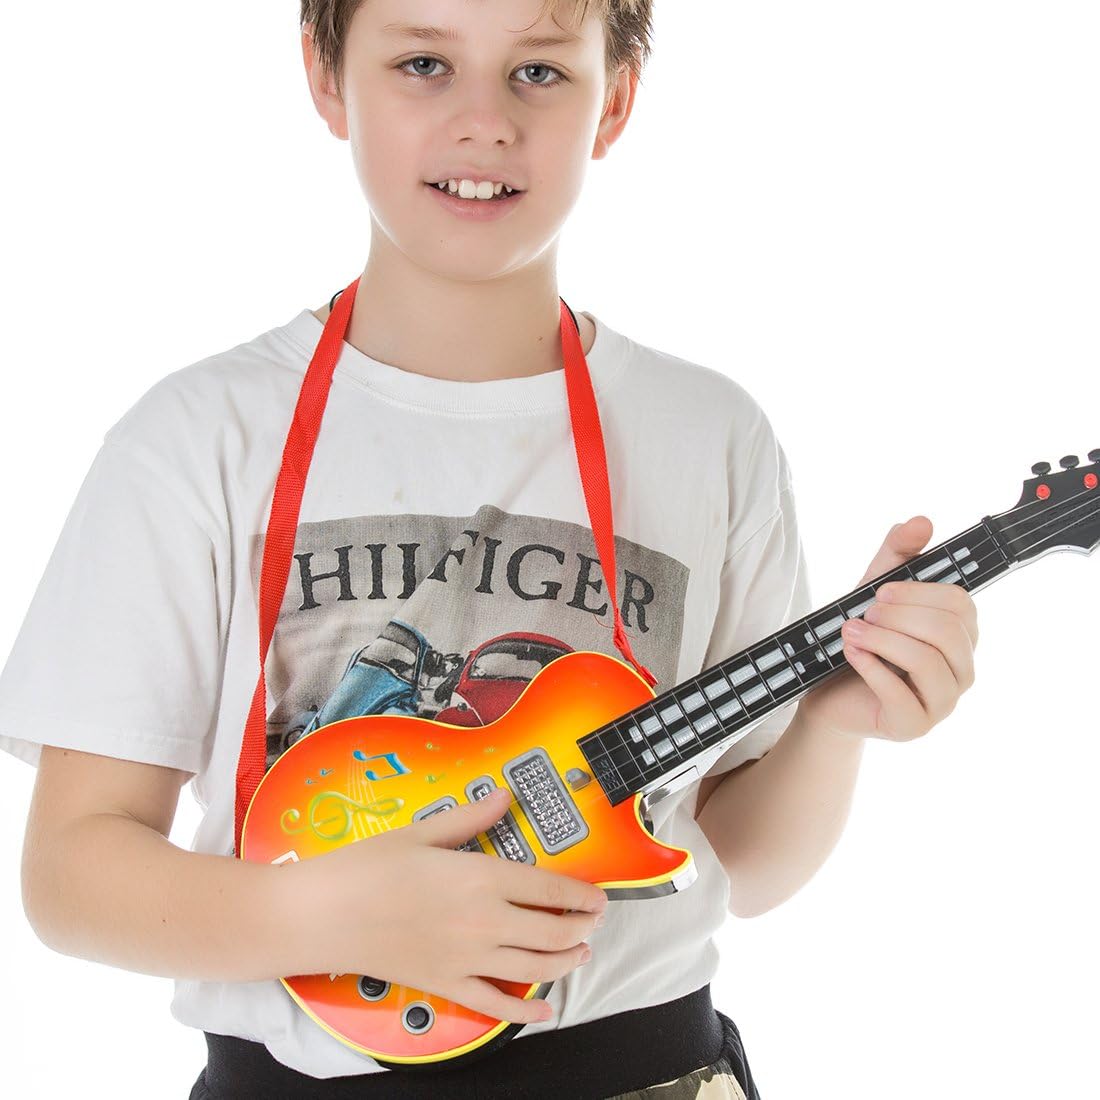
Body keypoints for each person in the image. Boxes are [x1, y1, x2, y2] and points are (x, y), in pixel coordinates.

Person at [0, 1, 979, 1097]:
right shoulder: (196, 439)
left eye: (538, 72)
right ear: (327, 75)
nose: (484, 121)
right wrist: (330, 910)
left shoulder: (710, 437)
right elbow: (70, 871)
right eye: (425, 63)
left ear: (615, 98)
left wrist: (833, 719)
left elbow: (736, 861)